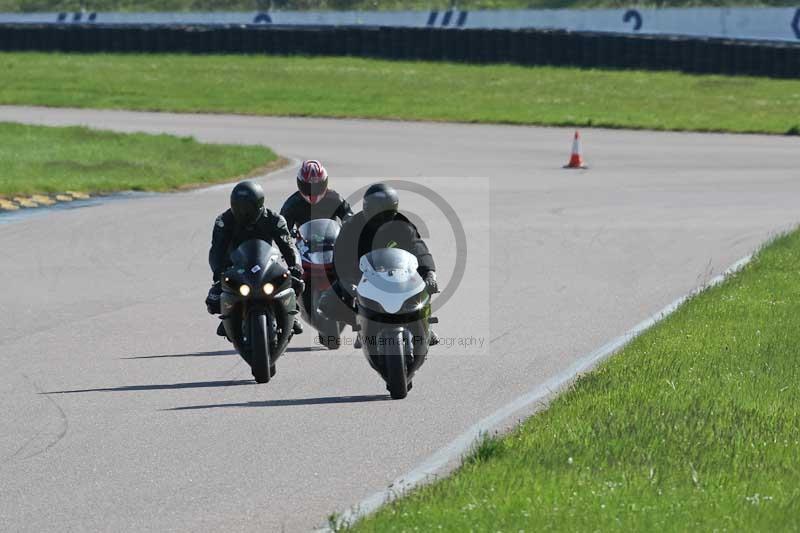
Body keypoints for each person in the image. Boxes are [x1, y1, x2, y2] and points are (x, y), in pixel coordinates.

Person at [322, 183, 439, 346]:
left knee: (424, 286)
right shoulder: (351, 226)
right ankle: (361, 323)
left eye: (387, 212)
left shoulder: (403, 225)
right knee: (327, 302)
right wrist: (347, 281)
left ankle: (422, 325)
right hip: (362, 278)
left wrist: (429, 274)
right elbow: (340, 259)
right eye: (377, 212)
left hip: (400, 276)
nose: (381, 218)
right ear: (367, 208)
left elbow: (419, 249)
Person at [205, 180, 304, 336]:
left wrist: (296, 266)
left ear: (259, 205)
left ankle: (289, 314)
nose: (243, 212)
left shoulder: (274, 219)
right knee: (213, 300)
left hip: (266, 266)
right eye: (239, 207)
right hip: (234, 268)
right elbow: (216, 250)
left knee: (297, 283)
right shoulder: (224, 221)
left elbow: (288, 246)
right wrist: (218, 271)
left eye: (248, 208)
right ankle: (229, 316)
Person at [280, 160, 353, 235]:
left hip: (332, 242)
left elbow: (350, 217)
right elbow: (281, 228)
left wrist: (348, 225)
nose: (313, 193)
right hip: (304, 244)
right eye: (307, 187)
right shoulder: (292, 204)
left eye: (317, 187)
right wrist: (288, 233)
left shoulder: (335, 199)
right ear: (300, 184)